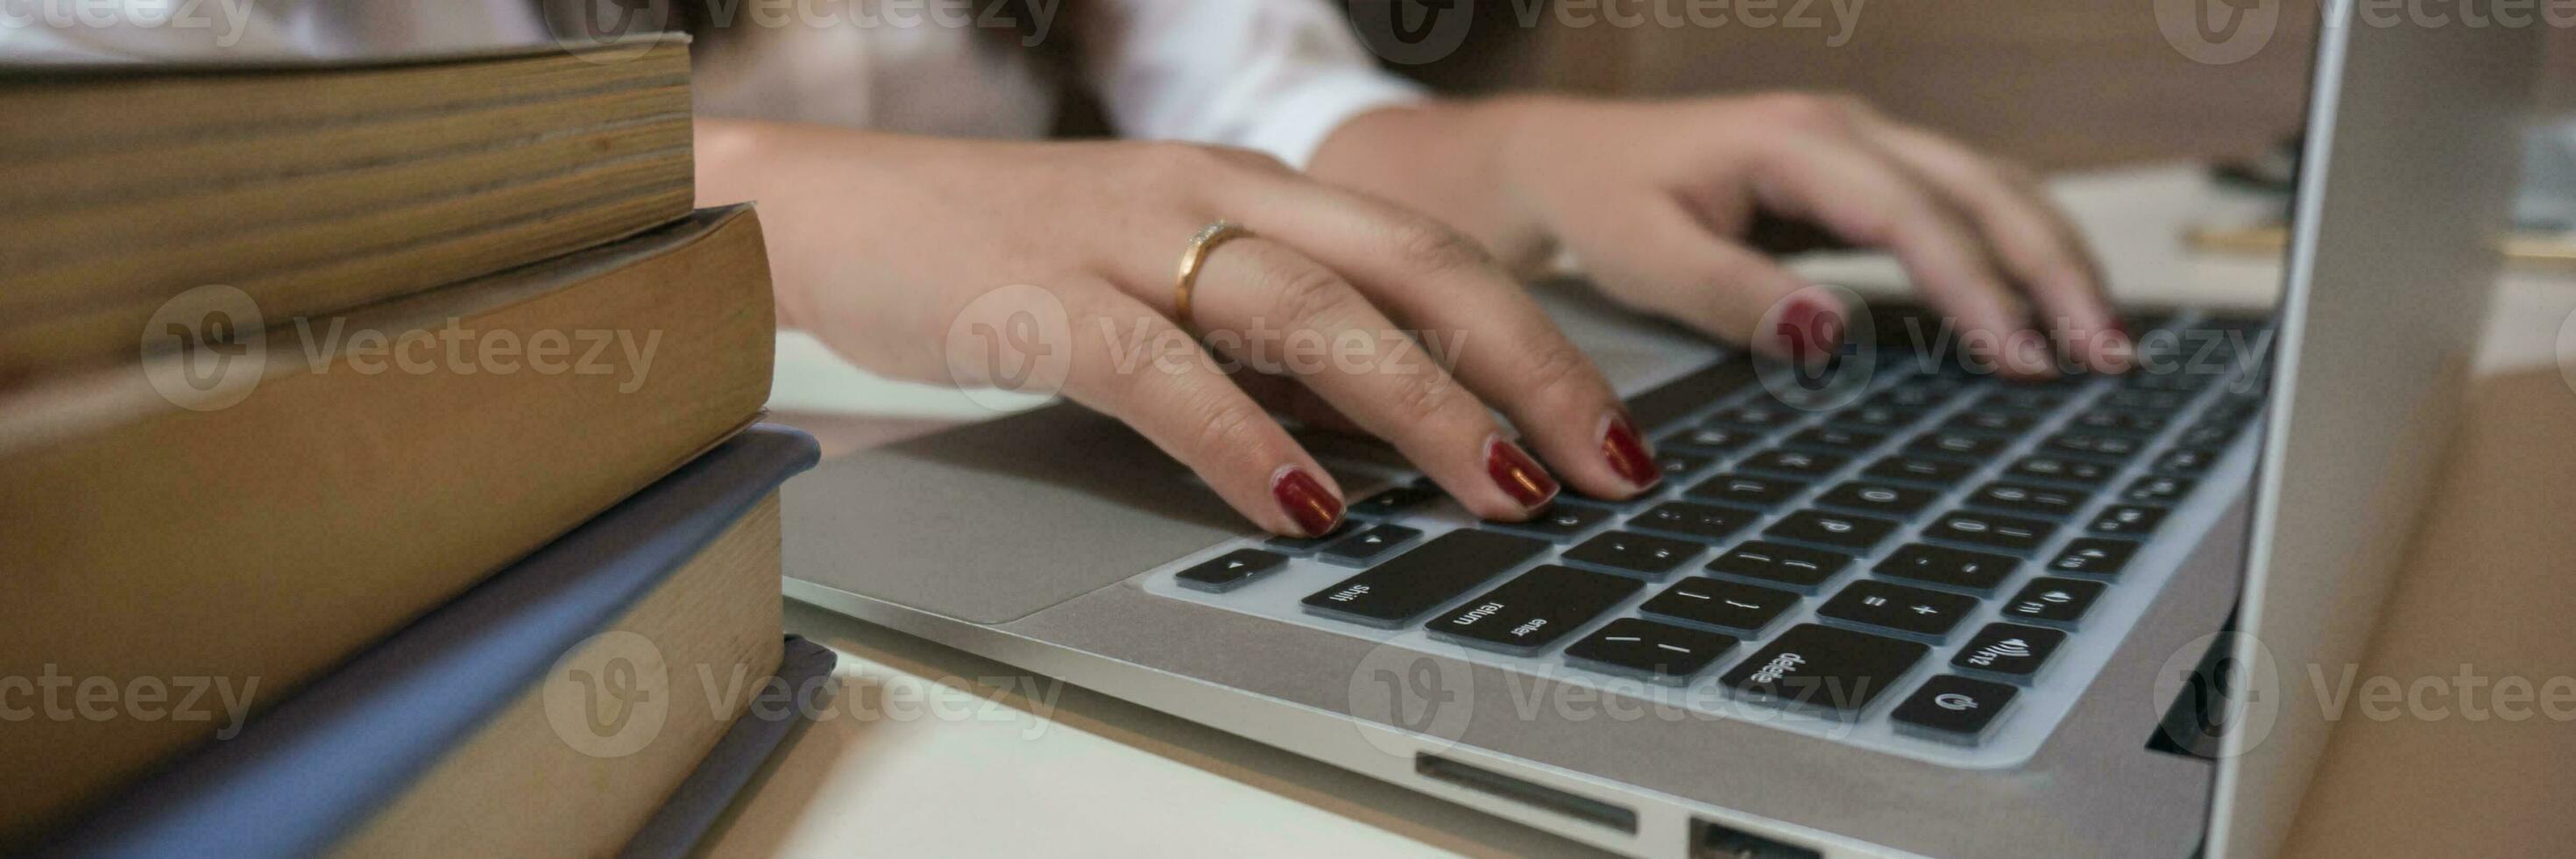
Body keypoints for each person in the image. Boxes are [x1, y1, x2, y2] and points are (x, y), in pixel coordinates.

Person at [4, 0, 2128, 538]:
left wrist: (1526, 150)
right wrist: (770, 194)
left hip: (1025, 481)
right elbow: (100, 193)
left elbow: (1262, 93)